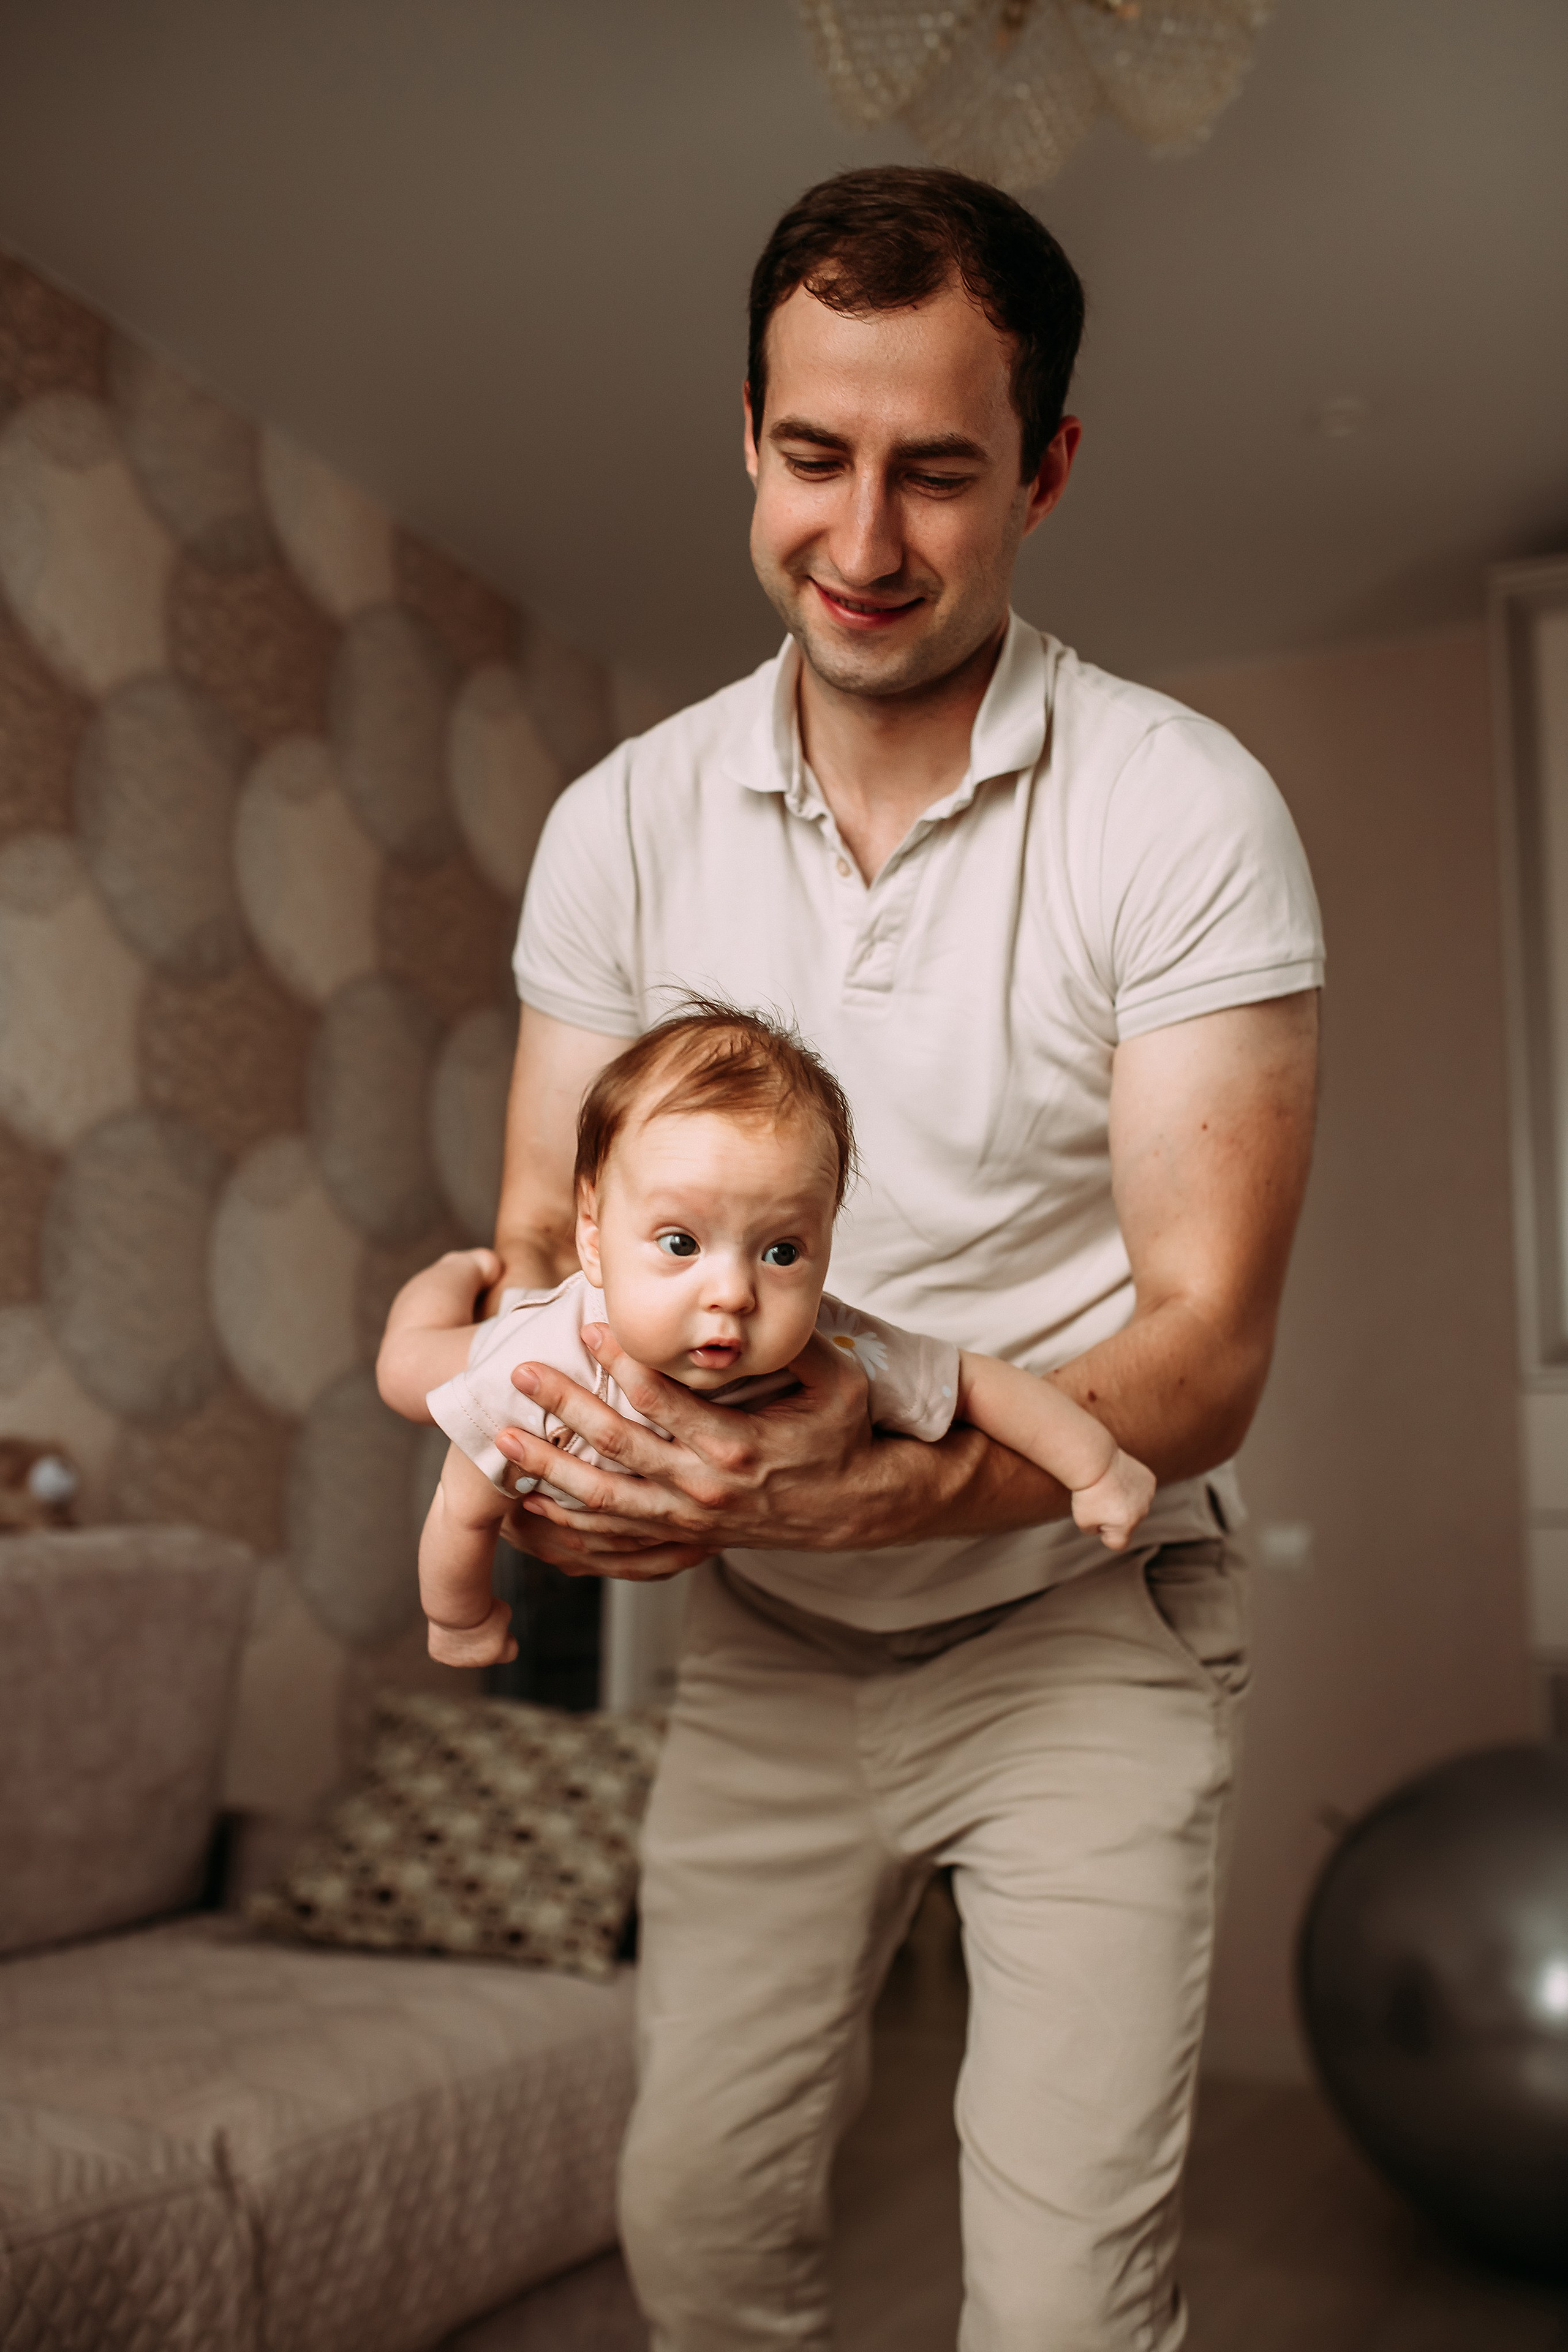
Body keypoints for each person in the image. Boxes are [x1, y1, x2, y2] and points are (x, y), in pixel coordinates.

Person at [472, 165, 1321, 2349]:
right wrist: (566, 1455)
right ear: (741, 440)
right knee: (695, 2232)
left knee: (1057, 2308)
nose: (858, 545)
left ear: (1042, 470)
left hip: (1078, 1637)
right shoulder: (616, 828)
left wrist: (883, 1481)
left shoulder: (1178, 810)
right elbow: (540, 1248)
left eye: (935, 473)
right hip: (760, 1653)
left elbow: (1204, 1344)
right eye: (810, 458)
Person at [379, 1006, 1155, 1668]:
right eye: (680, 1243)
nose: (732, 1294)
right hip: (498, 1337)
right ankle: (451, 1272)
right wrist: (460, 1618)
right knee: (404, 1373)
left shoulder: (843, 1349)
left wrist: (1094, 1465)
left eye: (780, 1252)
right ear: (593, 1237)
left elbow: (977, 1385)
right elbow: (462, 1512)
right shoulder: (533, 1367)